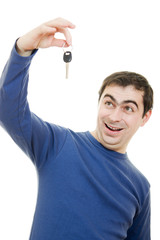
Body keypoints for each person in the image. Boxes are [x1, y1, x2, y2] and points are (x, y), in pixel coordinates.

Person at [0, 18, 153, 240]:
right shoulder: (58, 144)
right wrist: (22, 50)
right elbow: (8, 110)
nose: (114, 116)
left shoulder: (140, 187)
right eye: (109, 103)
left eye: (128, 108)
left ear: (144, 117)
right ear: (99, 103)